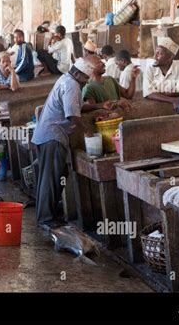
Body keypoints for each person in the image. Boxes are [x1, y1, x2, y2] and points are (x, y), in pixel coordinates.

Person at [31, 58, 117, 229]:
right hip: (53, 136)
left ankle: (47, 215)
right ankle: (46, 219)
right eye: (85, 78)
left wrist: (99, 106)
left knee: (50, 177)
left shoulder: (66, 80)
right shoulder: (72, 85)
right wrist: (88, 130)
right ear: (77, 73)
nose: (87, 81)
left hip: (47, 135)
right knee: (51, 179)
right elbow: (72, 116)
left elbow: (75, 107)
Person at [144, 37, 179, 107]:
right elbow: (149, 93)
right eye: (156, 52)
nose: (155, 56)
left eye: (160, 53)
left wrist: (158, 93)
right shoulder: (150, 69)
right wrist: (173, 100)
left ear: (170, 57)